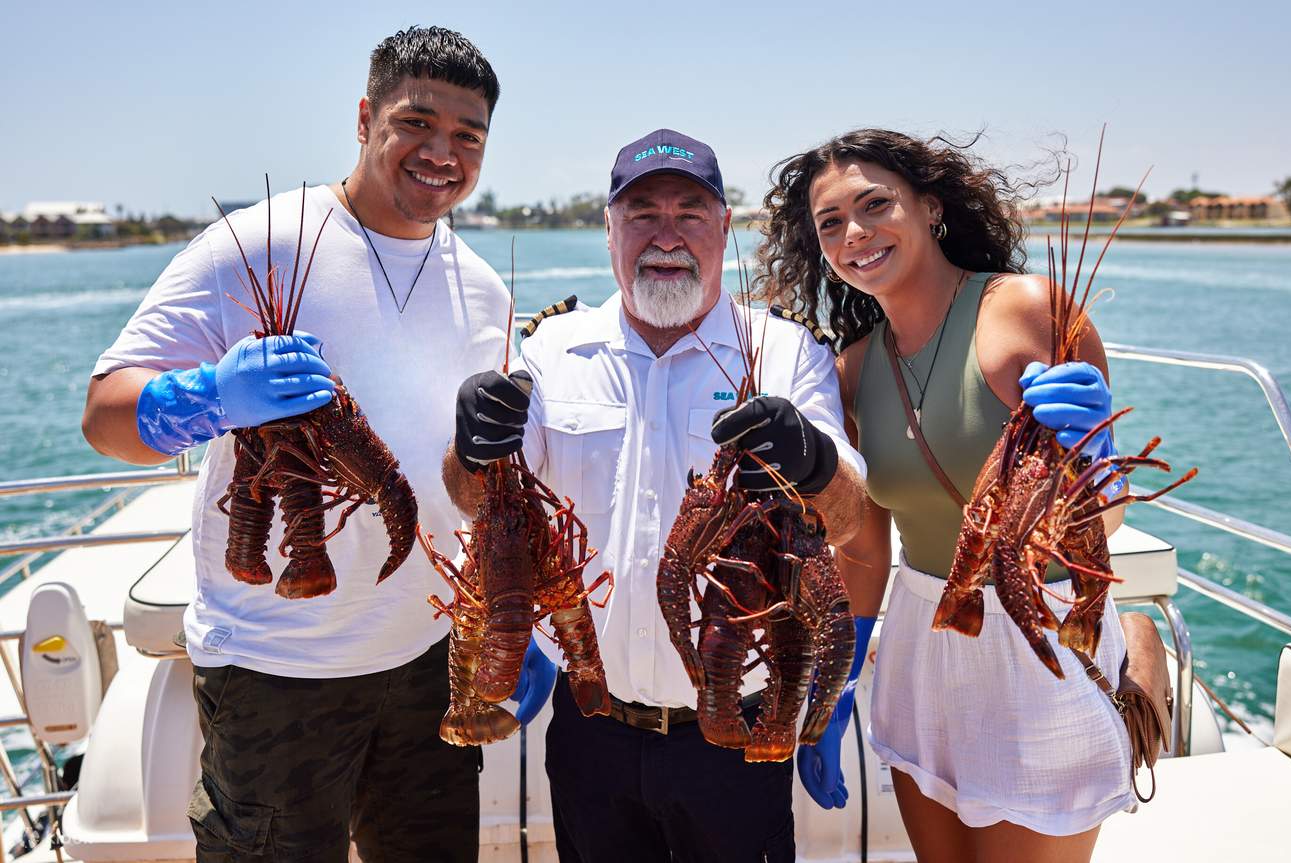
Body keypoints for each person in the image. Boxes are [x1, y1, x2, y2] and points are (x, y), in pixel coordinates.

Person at [82, 26, 509, 863]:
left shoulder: (484, 289)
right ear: (364, 117)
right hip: (275, 669)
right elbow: (105, 415)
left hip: (429, 659)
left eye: (467, 136)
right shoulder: (256, 243)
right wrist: (205, 396)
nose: (441, 152)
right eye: (415, 122)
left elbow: (465, 488)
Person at [443, 129, 871, 862]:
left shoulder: (786, 350)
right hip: (590, 727)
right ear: (608, 228)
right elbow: (476, 501)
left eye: (689, 213)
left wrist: (810, 457)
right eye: (641, 213)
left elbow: (848, 513)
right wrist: (471, 445)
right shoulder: (551, 348)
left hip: (739, 732)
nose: (664, 235)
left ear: (724, 227)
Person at [757, 128, 1133, 863]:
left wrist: (1098, 459)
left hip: (1040, 641)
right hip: (918, 646)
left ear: (930, 208)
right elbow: (864, 546)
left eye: (874, 205)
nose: (854, 234)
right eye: (829, 223)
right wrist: (838, 680)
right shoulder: (852, 367)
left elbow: (1100, 525)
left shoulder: (1025, 308)